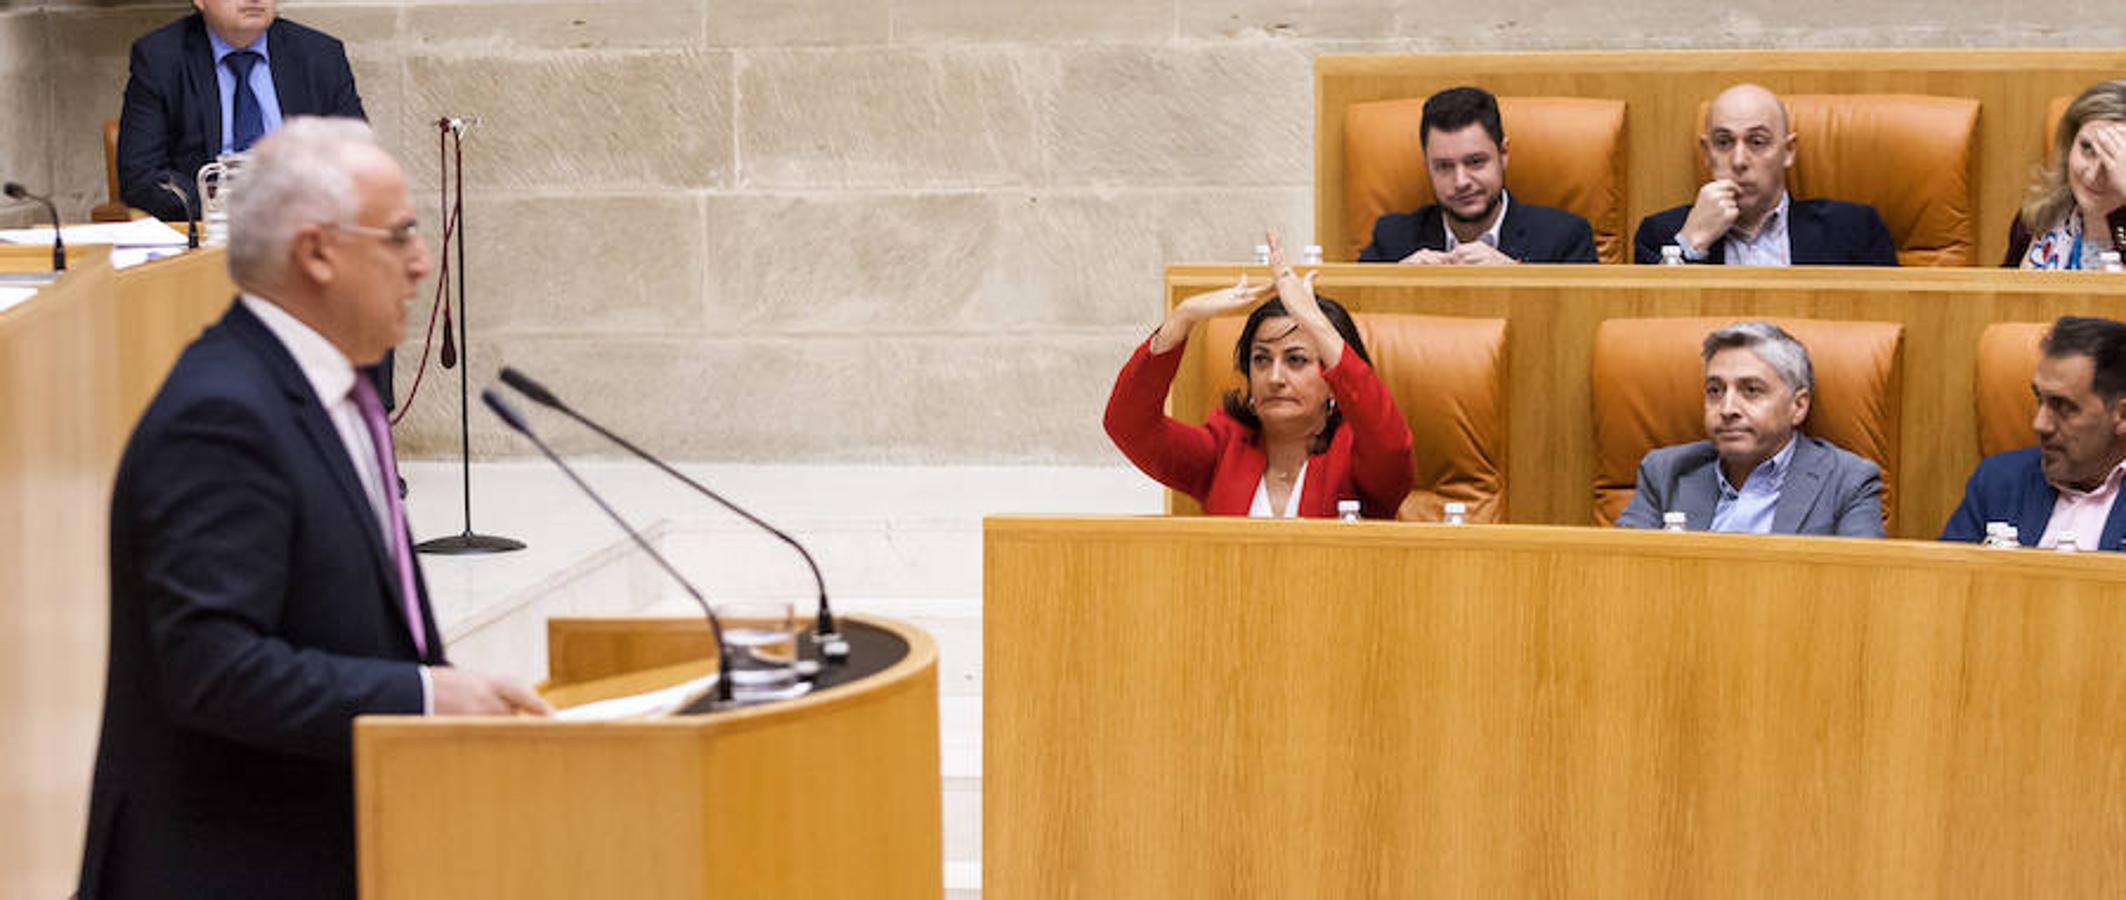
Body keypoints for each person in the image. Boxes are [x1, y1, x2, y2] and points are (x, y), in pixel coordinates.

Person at [77, 118, 551, 900]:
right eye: (399, 237)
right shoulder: (222, 416)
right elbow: (213, 670)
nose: (422, 263)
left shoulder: (333, 391)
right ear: (317, 251)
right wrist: (426, 698)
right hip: (230, 864)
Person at [1105, 232, 1414, 518]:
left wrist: (1313, 320)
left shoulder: (1357, 457)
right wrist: (1182, 318)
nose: (1275, 376)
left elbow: (1392, 445)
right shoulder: (1223, 451)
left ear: (1333, 380)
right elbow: (1129, 426)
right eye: (1261, 359)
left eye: (1296, 360)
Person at [1617, 322, 1884, 536]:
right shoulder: (1665, 473)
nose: (1727, 408)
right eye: (1715, 391)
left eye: (1751, 390)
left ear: (1798, 406)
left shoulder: (1848, 482)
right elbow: (1621, 574)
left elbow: (1861, 590)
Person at [117, 0, 364, 222]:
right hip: (210, 232)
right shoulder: (160, 58)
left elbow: (360, 159)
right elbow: (141, 176)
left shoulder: (319, 55)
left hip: (304, 229)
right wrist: (221, 206)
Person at [1632, 84, 1899, 267]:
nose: (1738, 161)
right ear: (1706, 153)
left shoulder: (1854, 229)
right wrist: (1692, 244)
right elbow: (1659, 332)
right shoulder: (1659, 235)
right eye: (1724, 143)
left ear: (1788, 151)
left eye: (1757, 142)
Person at [1942, 316, 2126, 551]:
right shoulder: (1999, 481)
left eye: (2063, 407)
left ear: (2122, 415)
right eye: (2040, 400)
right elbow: (1946, 582)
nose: (2040, 424)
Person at [1358, 86, 1598, 265]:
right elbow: (1351, 322)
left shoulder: (1564, 237)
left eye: (1475, 162)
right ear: (1427, 166)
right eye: (1444, 166)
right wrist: (1394, 286)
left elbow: (1582, 324)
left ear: (1503, 154)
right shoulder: (1392, 238)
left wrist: (1519, 280)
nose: (1461, 181)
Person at [2004, 81, 2126, 269]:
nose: (2093, 175)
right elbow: (2002, 295)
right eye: (2087, 148)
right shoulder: (2038, 218)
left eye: (2113, 160)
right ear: (2070, 144)